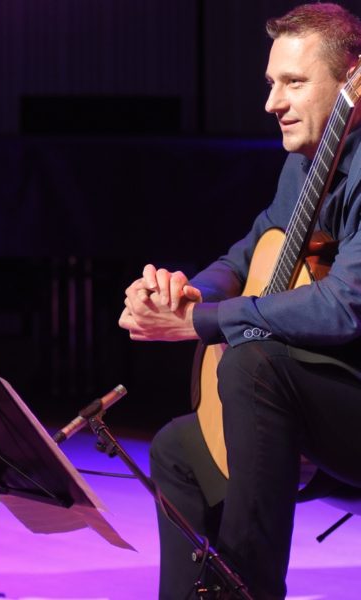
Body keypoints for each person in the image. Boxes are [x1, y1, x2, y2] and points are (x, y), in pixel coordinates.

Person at [119, 4, 361, 600]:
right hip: (325, 393)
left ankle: (249, 591)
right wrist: (184, 293)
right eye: (271, 83)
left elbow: (344, 305)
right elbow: (246, 253)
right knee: (177, 449)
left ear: (352, 80)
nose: (272, 102)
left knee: (253, 364)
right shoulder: (302, 164)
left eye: (294, 82)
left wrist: (201, 323)